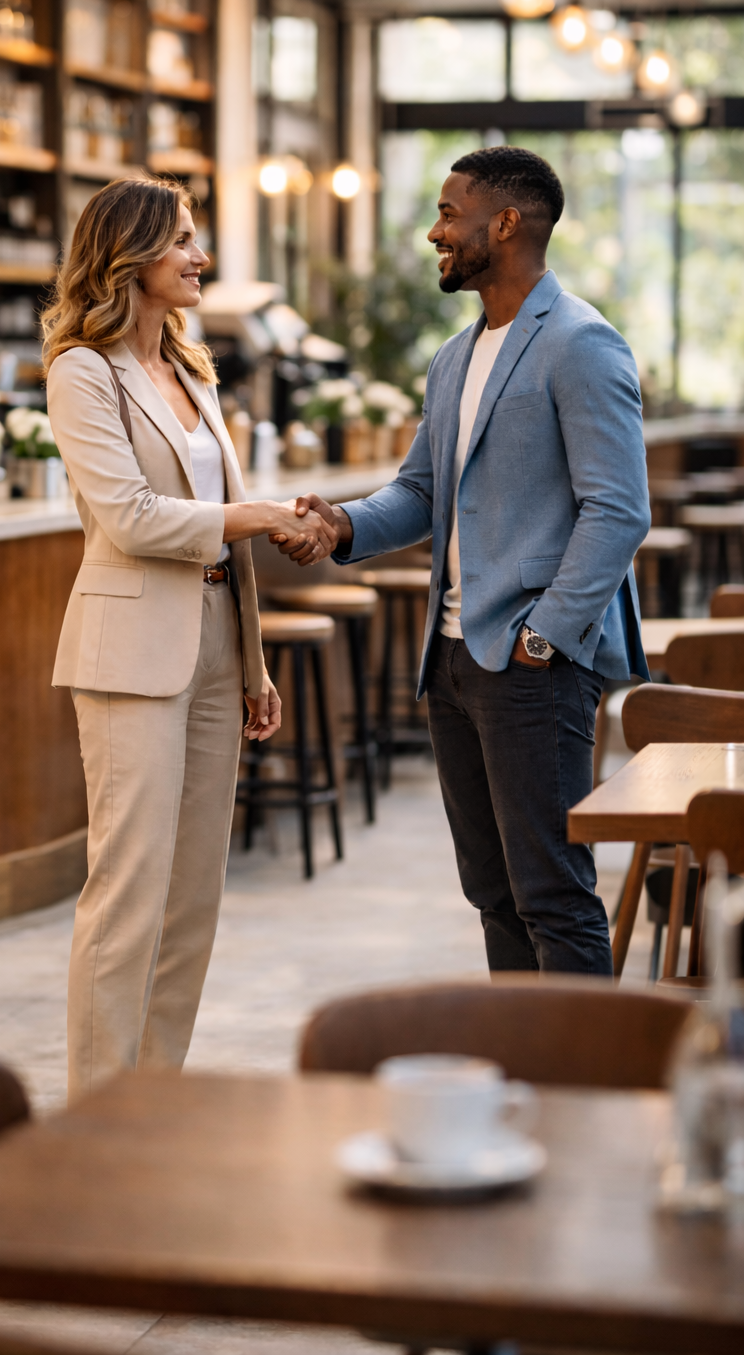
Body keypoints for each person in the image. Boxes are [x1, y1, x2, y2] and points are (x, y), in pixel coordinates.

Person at [277, 147, 650, 976]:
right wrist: (340, 525)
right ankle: (525, 1079)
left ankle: (587, 1096)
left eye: (451, 213)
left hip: (530, 662)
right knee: (492, 892)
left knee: (552, 893)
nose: (435, 232)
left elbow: (620, 510)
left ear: (506, 223)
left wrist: (545, 635)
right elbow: (419, 492)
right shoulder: (455, 356)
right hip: (450, 661)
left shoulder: (582, 344)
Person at [44, 177, 335, 1100]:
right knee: (128, 893)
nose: (200, 256)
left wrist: (249, 662)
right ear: (129, 253)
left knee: (194, 897)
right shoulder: (81, 371)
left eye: (196, 239)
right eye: (182, 241)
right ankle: (97, 1113)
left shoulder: (193, 368)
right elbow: (128, 518)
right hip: (131, 650)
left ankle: (152, 1098)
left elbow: (213, 525)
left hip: (214, 639)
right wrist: (252, 515)